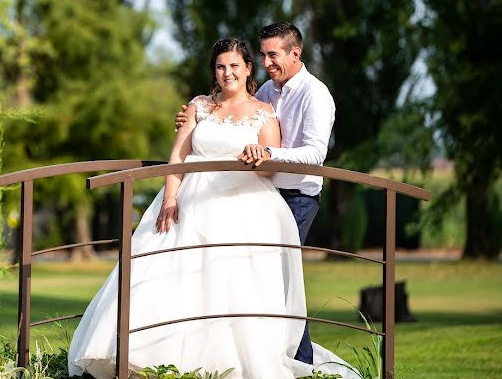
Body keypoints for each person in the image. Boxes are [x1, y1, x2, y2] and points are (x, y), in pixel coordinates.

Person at [69, 38, 348, 379]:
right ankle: (148, 357)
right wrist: (170, 198)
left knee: (233, 285)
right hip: (188, 200)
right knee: (161, 276)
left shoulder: (265, 112)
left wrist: (259, 157)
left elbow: (272, 164)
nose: (227, 73)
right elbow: (178, 156)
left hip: (242, 204)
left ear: (248, 69)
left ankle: (229, 363)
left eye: (235, 66)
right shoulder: (198, 106)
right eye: (220, 66)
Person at [174, 22, 335, 365]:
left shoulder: (316, 95)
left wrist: (267, 154)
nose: (267, 62)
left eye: (272, 55)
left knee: (278, 277)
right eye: (262, 55)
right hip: (263, 193)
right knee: (251, 276)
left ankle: (298, 361)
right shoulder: (267, 90)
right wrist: (191, 118)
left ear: (296, 53)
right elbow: (235, 112)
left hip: (297, 196)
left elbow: (315, 154)